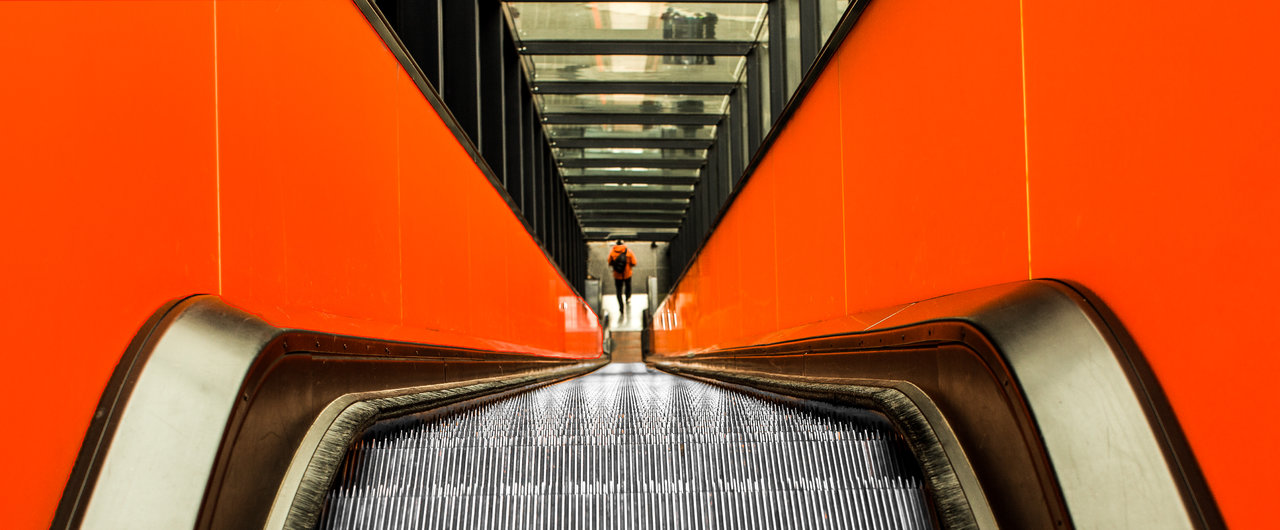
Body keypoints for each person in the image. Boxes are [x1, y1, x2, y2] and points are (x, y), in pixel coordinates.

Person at [608, 240, 637, 312]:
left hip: (617, 275)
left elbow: (609, 262)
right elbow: (634, 262)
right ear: (623, 244)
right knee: (628, 286)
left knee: (619, 290)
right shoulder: (629, 252)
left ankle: (621, 306)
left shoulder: (612, 252)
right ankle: (627, 298)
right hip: (627, 274)